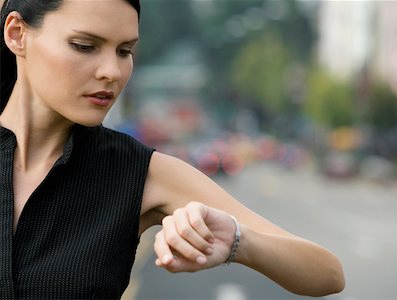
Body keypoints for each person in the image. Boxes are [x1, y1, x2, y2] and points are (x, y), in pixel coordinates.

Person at [0, 0, 345, 299]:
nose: (112, 72)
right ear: (16, 33)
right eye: (85, 46)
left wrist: (238, 242)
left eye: (124, 51)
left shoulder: (141, 173)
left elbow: (328, 274)